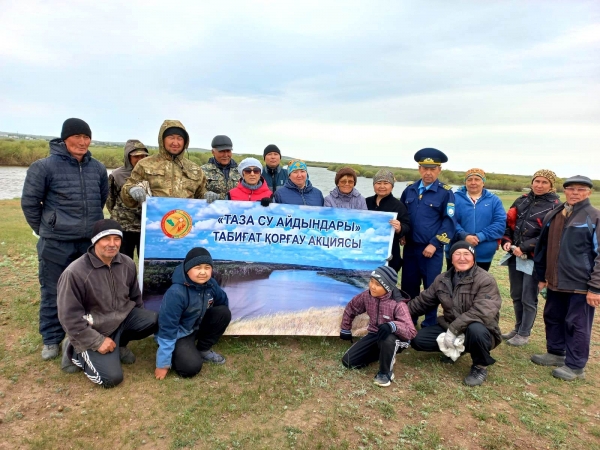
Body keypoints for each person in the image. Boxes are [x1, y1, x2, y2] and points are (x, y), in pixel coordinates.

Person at [21, 118, 108, 360]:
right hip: (55, 242)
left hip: (88, 243)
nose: (82, 142)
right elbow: (30, 202)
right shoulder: (43, 167)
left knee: (88, 292)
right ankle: (51, 339)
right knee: (53, 291)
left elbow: (100, 199)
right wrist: (45, 228)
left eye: (86, 137)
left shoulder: (98, 168)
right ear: (64, 138)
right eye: (77, 136)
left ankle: (84, 334)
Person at [57, 220, 158, 388]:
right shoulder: (75, 273)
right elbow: (69, 317)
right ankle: (75, 350)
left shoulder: (127, 263)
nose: (112, 244)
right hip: (94, 328)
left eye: (116, 239)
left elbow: (135, 296)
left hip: (120, 319)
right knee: (111, 378)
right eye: (106, 239)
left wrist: (140, 320)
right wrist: (96, 341)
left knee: (153, 320)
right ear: (95, 241)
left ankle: (118, 344)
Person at [531, 175, 599, 381]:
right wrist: (542, 276)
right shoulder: (557, 213)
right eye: (571, 189)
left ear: (589, 192)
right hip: (555, 281)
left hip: (580, 284)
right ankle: (555, 352)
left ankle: (576, 365)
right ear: (565, 191)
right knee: (552, 316)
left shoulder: (593, 216)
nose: (575, 193)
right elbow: (543, 247)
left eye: (580, 190)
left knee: (576, 323)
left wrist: (595, 287)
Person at [408, 241, 502, 386]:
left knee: (475, 329)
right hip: (451, 326)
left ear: (473, 258)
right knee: (418, 339)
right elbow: (423, 302)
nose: (462, 258)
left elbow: (482, 312)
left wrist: (454, 329)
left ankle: (479, 367)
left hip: (483, 330)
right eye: (457, 254)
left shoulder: (485, 280)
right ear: (451, 258)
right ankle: (458, 349)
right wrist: (397, 314)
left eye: (466, 254)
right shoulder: (442, 279)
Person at [500, 169, 560, 346]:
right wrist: (506, 240)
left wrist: (524, 247)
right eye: (537, 181)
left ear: (551, 185)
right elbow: (509, 223)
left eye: (544, 182)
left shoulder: (556, 206)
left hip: (535, 257)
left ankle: (524, 334)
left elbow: (549, 234)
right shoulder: (521, 200)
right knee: (516, 294)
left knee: (528, 296)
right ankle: (517, 328)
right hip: (514, 255)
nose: (539, 185)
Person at [155, 247, 231, 380]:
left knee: (223, 312)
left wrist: (213, 322)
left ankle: (203, 349)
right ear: (187, 269)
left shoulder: (211, 284)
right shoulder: (176, 293)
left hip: (197, 326)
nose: (203, 272)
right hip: (179, 333)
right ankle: (178, 352)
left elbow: (222, 301)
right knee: (190, 367)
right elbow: (167, 328)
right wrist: (163, 363)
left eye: (207, 267)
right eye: (197, 267)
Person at [400, 148, 456, 328]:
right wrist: (402, 234)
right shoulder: (409, 190)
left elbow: (449, 222)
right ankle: (408, 321)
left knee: (432, 288)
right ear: (419, 169)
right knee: (409, 286)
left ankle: (429, 324)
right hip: (410, 248)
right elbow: (402, 216)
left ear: (439, 170)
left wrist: (435, 243)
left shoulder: (446, 192)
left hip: (431, 250)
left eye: (432, 169)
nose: (428, 172)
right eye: (425, 168)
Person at [340, 266, 417, 387]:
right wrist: (345, 328)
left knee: (388, 339)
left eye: (377, 284)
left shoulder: (398, 304)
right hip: (375, 334)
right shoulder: (367, 296)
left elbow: (411, 332)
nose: (372, 286)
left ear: (387, 287)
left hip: (396, 339)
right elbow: (352, 307)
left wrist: (393, 326)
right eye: (371, 281)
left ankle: (386, 373)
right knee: (348, 361)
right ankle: (384, 354)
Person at [121, 120, 206, 207]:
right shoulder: (145, 164)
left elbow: (201, 195)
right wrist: (131, 190)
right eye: (171, 137)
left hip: (184, 218)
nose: (175, 143)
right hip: (154, 219)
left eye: (180, 138)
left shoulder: (195, 169)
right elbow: (127, 199)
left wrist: (207, 196)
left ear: (185, 142)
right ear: (162, 140)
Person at [450, 168, 506, 271]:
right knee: (455, 284)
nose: (473, 182)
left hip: (483, 254)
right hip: (457, 251)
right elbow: (449, 221)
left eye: (477, 179)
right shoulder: (453, 198)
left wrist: (480, 236)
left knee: (479, 284)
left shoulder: (494, 200)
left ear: (483, 182)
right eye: (469, 179)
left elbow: (500, 224)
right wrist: (464, 236)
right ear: (465, 182)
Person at [106, 140, 149, 259]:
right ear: (128, 157)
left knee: (145, 262)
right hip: (124, 227)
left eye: (143, 156)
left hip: (146, 227)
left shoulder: (151, 174)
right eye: (136, 156)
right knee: (122, 261)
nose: (140, 159)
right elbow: (110, 200)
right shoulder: (117, 174)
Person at [365, 169, 411, 272]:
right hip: (367, 252)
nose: (382, 186)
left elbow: (407, 226)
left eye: (386, 183)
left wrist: (400, 228)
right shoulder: (366, 202)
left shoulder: (398, 205)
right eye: (378, 183)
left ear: (392, 186)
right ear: (373, 185)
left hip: (389, 254)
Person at [202, 135, 241, 202]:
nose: (225, 155)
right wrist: (205, 195)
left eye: (228, 151)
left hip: (234, 210)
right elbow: (196, 192)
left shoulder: (240, 171)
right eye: (221, 151)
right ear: (213, 152)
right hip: (212, 210)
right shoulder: (202, 171)